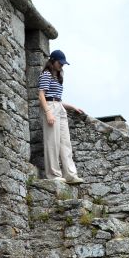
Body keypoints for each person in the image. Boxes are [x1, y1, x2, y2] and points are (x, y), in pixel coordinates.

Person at [38, 49, 85, 183]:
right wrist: (48, 113)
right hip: (50, 107)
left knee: (65, 142)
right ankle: (54, 175)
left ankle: (70, 174)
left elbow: (57, 99)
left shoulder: (58, 77)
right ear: (53, 61)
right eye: (60, 63)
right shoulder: (46, 74)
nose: (62, 65)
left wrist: (72, 107)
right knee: (52, 142)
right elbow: (41, 95)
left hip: (59, 107)